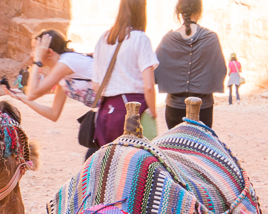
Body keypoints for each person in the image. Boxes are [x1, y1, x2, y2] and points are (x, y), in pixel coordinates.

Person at [11, 0, 157, 158]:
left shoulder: (76, 57)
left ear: (49, 52)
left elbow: (95, 85)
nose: (33, 54)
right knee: (138, 161)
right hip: (125, 110)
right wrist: (24, 98)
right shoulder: (64, 75)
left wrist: (37, 62)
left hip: (108, 114)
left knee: (106, 164)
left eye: (36, 50)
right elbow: (52, 113)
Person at [155, 0, 227, 129]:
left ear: (180, 12)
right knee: (199, 147)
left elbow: (155, 70)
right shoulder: (211, 38)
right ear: (199, 11)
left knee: (175, 148)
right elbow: (220, 70)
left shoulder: (168, 39)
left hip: (174, 108)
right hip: (203, 107)